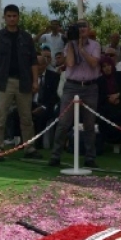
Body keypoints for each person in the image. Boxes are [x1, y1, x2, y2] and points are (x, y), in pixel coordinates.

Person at [0, 4, 42, 161]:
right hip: (4, 82)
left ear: (18, 17)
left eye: (14, 16)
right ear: (4, 18)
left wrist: (35, 81)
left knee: (26, 118)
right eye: (9, 16)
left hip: (24, 81)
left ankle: (29, 147)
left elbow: (33, 61)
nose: (12, 19)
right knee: (0, 117)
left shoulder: (26, 37)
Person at [49, 18, 101, 167]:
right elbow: (70, 63)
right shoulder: (68, 45)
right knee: (64, 122)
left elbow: (93, 63)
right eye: (79, 26)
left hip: (90, 87)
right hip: (72, 86)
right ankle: (55, 156)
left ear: (89, 28)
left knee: (89, 124)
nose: (82, 28)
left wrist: (82, 48)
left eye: (84, 26)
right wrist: (73, 43)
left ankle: (90, 157)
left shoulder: (95, 45)